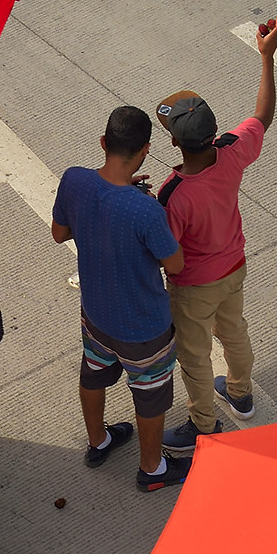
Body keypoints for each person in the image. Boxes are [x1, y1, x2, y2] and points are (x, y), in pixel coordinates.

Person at [153, 17, 277, 453]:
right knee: (235, 331)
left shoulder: (173, 194)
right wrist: (266, 57)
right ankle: (241, 393)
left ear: (173, 143)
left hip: (194, 286)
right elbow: (263, 115)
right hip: (236, 266)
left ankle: (203, 425)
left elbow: (165, 252)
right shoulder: (231, 152)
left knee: (195, 355)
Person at [51, 105, 192, 491]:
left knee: (94, 373)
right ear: (145, 150)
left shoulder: (74, 181)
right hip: (143, 327)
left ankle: (98, 442)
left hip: (96, 315)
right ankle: (152, 470)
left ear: (103, 142)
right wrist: (143, 206)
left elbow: (59, 233)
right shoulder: (145, 210)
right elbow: (175, 264)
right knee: (150, 395)